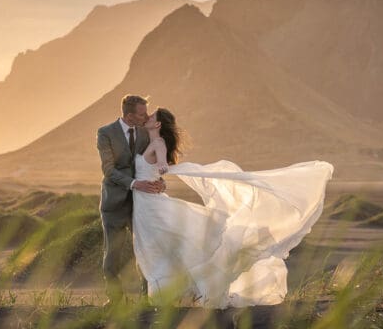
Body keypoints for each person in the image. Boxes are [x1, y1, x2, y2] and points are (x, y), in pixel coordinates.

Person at [131, 107, 333, 308]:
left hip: (150, 204)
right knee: (154, 246)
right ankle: (168, 291)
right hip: (145, 203)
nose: (147, 118)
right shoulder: (149, 141)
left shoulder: (158, 142)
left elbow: (163, 167)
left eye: (151, 117)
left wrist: (163, 174)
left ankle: (171, 292)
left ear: (157, 124)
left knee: (160, 245)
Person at [96, 94, 165, 304]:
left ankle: (147, 300)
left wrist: (159, 181)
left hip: (141, 204)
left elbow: (152, 162)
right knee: (112, 256)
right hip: (114, 203)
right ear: (129, 115)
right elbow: (108, 170)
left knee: (144, 252)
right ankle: (115, 301)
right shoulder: (105, 133)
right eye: (142, 113)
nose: (146, 117)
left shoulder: (147, 132)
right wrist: (134, 183)